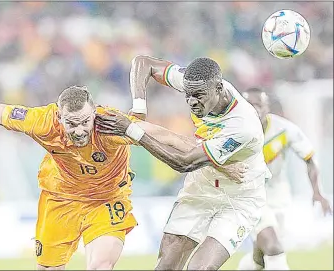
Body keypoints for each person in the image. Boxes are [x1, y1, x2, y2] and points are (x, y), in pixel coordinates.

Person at [96, 56, 271, 270]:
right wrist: (139, 106)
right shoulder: (197, 82)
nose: (191, 101)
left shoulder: (241, 125)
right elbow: (143, 63)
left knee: (199, 268)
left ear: (218, 88)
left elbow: (184, 163)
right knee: (166, 265)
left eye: (198, 96)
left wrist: (132, 129)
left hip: (239, 198)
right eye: (187, 95)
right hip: (201, 186)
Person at [0, 86, 140, 270]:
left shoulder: (112, 124)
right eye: (72, 124)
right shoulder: (42, 121)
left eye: (85, 122)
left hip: (106, 199)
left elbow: (154, 134)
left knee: (100, 265)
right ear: (59, 117)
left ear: (94, 113)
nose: (80, 131)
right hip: (61, 198)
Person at [236, 87, 332, 270]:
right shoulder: (233, 133)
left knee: (261, 256)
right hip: (249, 197)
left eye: (259, 105)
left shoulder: (284, 129)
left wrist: (317, 192)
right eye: (249, 105)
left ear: (267, 107)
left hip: (279, 196)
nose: (254, 110)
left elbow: (310, 159)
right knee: (273, 248)